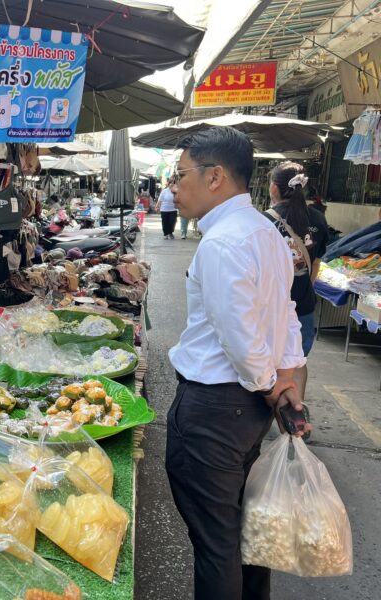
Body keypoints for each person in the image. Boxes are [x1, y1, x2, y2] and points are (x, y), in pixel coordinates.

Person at [167, 126, 310, 600]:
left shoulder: (224, 243)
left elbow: (242, 339)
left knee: (216, 544)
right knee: (242, 533)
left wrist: (272, 382)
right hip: (246, 411)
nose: (172, 185)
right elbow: (284, 314)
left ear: (215, 177)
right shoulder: (265, 234)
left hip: (214, 411)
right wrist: (285, 379)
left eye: (179, 173)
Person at [264, 162, 329, 401]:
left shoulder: (264, 222)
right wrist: (302, 291)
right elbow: (315, 266)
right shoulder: (319, 220)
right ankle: (294, 414)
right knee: (297, 360)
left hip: (269, 307)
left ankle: (267, 414)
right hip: (303, 305)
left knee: (266, 361)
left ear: (274, 188)